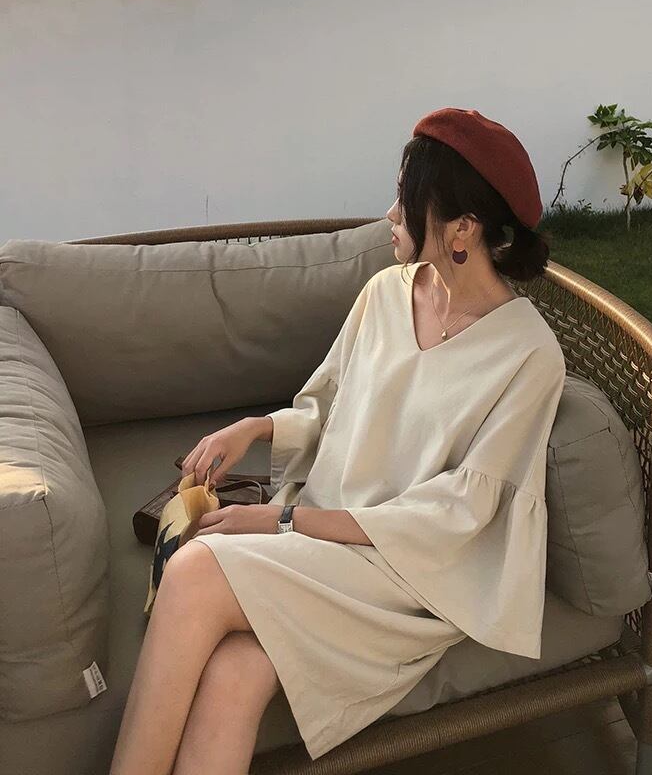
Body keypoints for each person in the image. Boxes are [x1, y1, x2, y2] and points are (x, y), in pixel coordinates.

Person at [110, 107, 567, 775]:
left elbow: (457, 514)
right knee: (237, 673)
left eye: (406, 201)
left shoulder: (529, 355)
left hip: (410, 574)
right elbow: (334, 412)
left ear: (463, 228)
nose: (389, 214)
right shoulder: (385, 293)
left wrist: (281, 520)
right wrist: (257, 428)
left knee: (194, 569)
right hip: (327, 535)